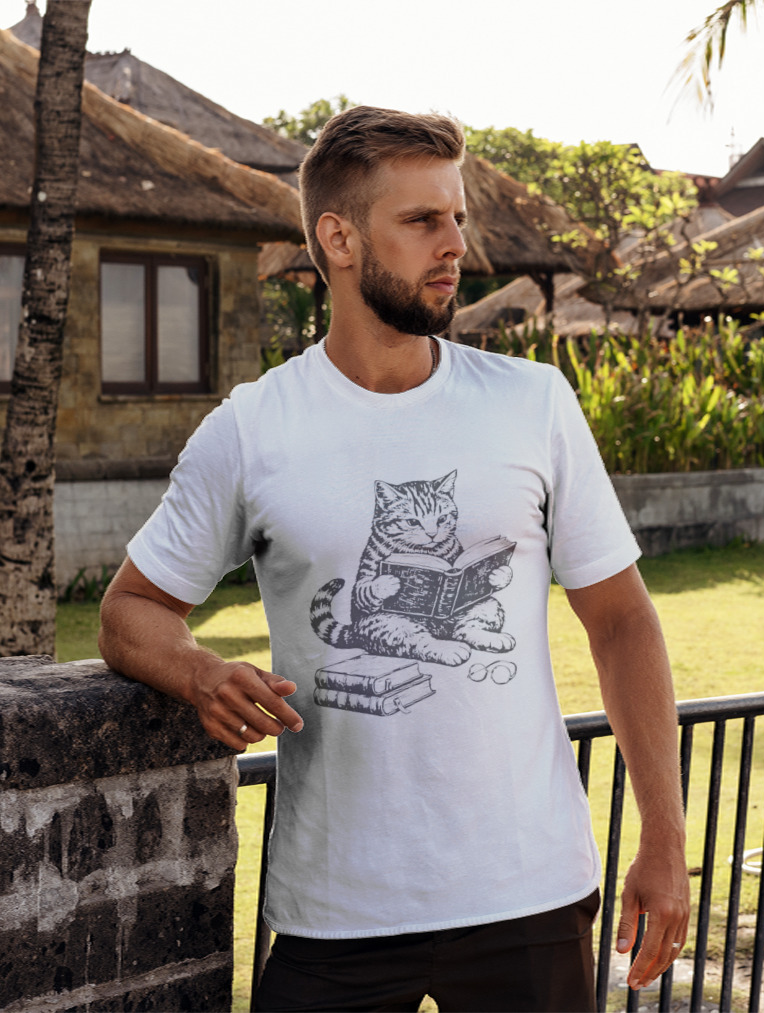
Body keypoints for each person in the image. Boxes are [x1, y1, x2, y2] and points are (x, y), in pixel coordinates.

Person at [99, 105, 690, 1013]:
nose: (454, 242)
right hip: (335, 910)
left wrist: (663, 834)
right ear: (338, 237)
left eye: (455, 216)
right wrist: (200, 672)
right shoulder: (255, 429)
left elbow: (620, 620)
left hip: (529, 893)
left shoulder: (532, 403)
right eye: (421, 220)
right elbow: (128, 610)